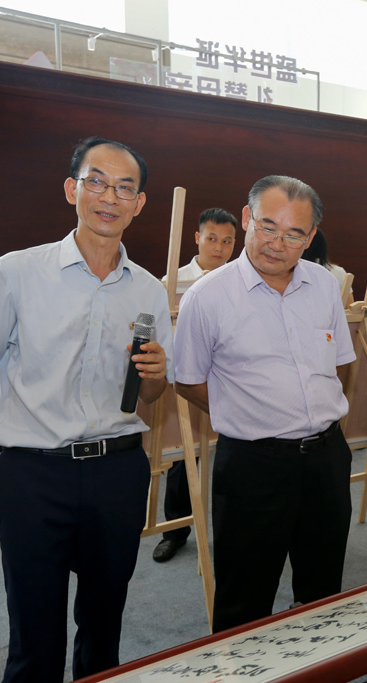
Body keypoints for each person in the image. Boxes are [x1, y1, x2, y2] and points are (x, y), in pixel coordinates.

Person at [0, 137, 172, 681]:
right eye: (97, 181)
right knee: (34, 636)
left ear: (140, 203)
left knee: (104, 627)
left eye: (125, 188)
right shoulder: (17, 272)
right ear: (72, 189)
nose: (109, 197)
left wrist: (156, 377)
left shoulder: (149, 290)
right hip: (34, 475)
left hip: (118, 472)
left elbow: (149, 397)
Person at [173, 175, 355, 632]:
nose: (277, 243)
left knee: (323, 592)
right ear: (247, 218)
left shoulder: (325, 285)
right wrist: (247, 410)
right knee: (244, 601)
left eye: (294, 234)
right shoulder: (206, 297)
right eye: (267, 227)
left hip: (327, 460)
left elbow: (341, 365)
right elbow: (188, 381)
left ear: (310, 237)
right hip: (253, 467)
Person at [153, 208, 237, 564]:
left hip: (230, 382)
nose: (219, 248)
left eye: (227, 241)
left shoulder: (241, 279)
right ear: (197, 238)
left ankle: (229, 531)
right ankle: (175, 531)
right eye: (212, 239)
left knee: (232, 461)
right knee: (182, 462)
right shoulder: (171, 283)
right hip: (187, 382)